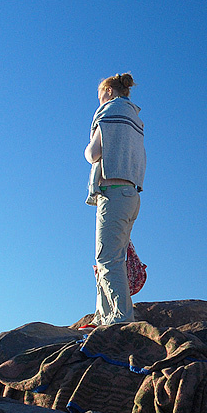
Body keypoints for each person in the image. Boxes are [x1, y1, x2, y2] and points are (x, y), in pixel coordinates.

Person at [84, 73, 146, 325]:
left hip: (113, 192)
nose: (98, 100)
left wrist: (87, 150)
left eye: (100, 94)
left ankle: (120, 319)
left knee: (107, 259)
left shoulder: (109, 111)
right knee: (113, 257)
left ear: (109, 91)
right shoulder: (135, 118)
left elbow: (94, 153)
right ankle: (103, 315)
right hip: (131, 194)